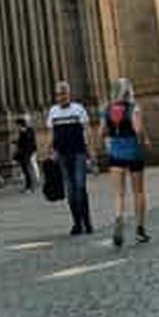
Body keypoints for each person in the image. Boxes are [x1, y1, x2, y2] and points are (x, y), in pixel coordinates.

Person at [102, 78, 151, 246]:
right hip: (133, 152)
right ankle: (139, 229)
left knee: (118, 193)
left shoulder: (108, 109)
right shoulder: (133, 108)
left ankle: (118, 218)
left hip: (116, 154)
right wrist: (144, 139)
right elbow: (137, 129)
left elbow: (104, 131)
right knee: (138, 191)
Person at [46, 80, 93, 235]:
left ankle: (87, 221)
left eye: (64, 93)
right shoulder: (53, 111)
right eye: (59, 94)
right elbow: (52, 134)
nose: (62, 97)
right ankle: (77, 223)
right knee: (71, 190)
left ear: (69, 94)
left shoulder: (78, 109)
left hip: (78, 152)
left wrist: (90, 152)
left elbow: (86, 130)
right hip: (62, 155)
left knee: (80, 187)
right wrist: (50, 150)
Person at [14, 116, 39, 192]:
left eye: (18, 125)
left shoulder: (28, 131)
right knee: (26, 169)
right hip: (25, 153)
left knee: (28, 169)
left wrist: (23, 133)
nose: (17, 127)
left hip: (28, 152)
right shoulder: (23, 131)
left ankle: (31, 185)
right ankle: (29, 185)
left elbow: (29, 142)